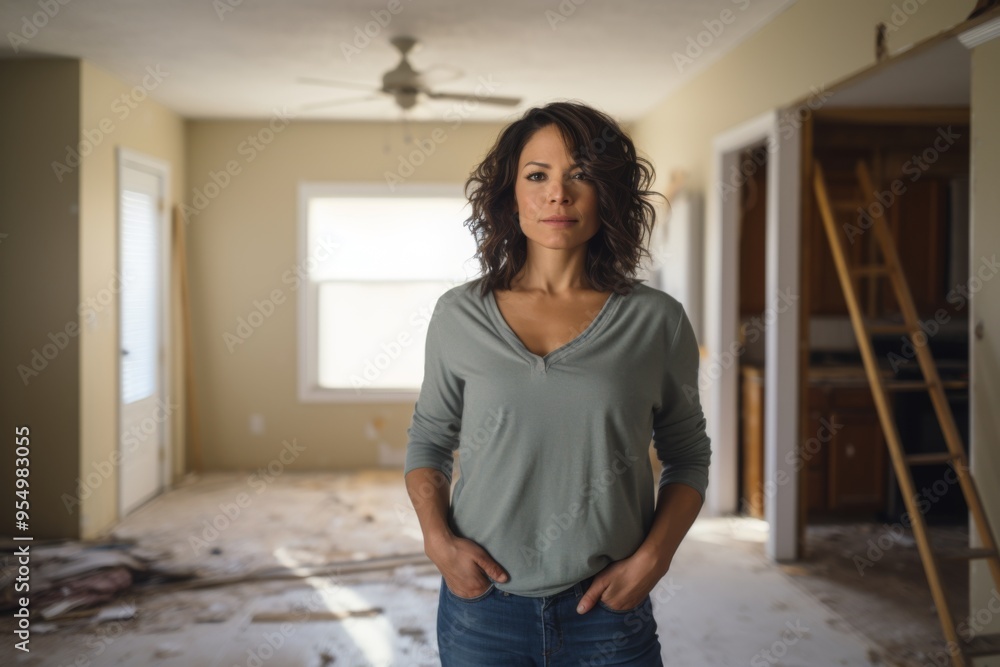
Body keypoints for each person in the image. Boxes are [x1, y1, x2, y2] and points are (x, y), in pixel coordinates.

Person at [403, 100, 712, 666]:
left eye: (581, 176)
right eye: (537, 175)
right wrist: (437, 539)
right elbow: (428, 441)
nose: (557, 194)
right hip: (483, 610)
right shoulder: (459, 315)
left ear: (609, 195)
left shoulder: (656, 321)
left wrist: (654, 559)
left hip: (608, 612)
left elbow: (688, 455)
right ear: (511, 195)